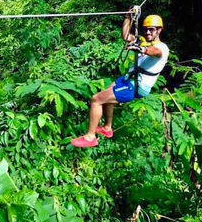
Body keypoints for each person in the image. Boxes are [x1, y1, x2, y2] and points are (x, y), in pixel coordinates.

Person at [71, 9, 169, 148]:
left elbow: (154, 52)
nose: (147, 33)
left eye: (151, 30)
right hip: (129, 78)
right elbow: (126, 36)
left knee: (97, 99)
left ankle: (90, 137)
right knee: (108, 90)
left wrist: (141, 49)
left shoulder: (162, 48)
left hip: (137, 86)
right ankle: (107, 127)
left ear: (159, 30)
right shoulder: (142, 41)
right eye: (146, 29)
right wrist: (128, 17)